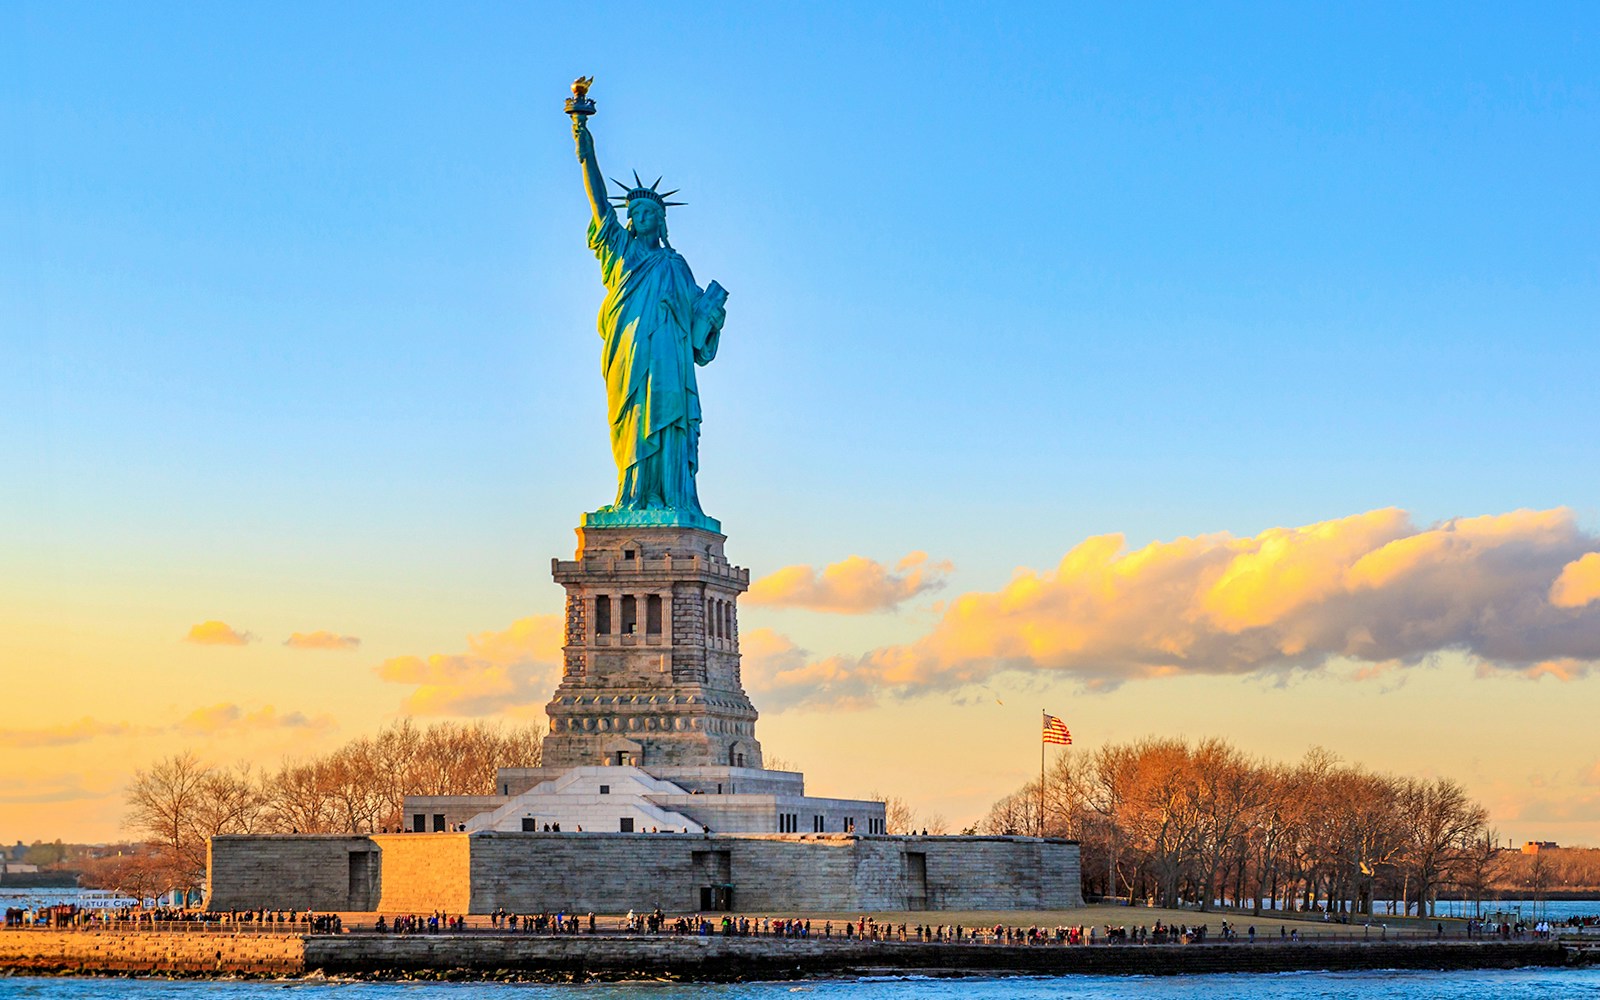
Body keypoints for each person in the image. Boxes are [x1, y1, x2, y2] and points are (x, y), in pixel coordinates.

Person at [572, 115, 728, 517]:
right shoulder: (620, 252)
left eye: (650, 214)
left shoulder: (675, 264)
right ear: (629, 220)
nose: (642, 218)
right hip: (631, 353)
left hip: (671, 361)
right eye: (636, 213)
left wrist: (712, 314)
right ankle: (634, 495)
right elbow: (599, 203)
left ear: (661, 220)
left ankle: (674, 498)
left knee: (672, 423)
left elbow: (699, 330)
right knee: (634, 419)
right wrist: (584, 144)